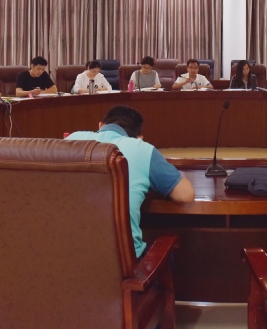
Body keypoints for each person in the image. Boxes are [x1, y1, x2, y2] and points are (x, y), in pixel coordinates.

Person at [65, 106, 194, 257]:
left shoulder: (71, 140)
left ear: (100, 125)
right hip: (120, 263)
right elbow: (185, 195)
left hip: (64, 257)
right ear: (139, 137)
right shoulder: (143, 149)